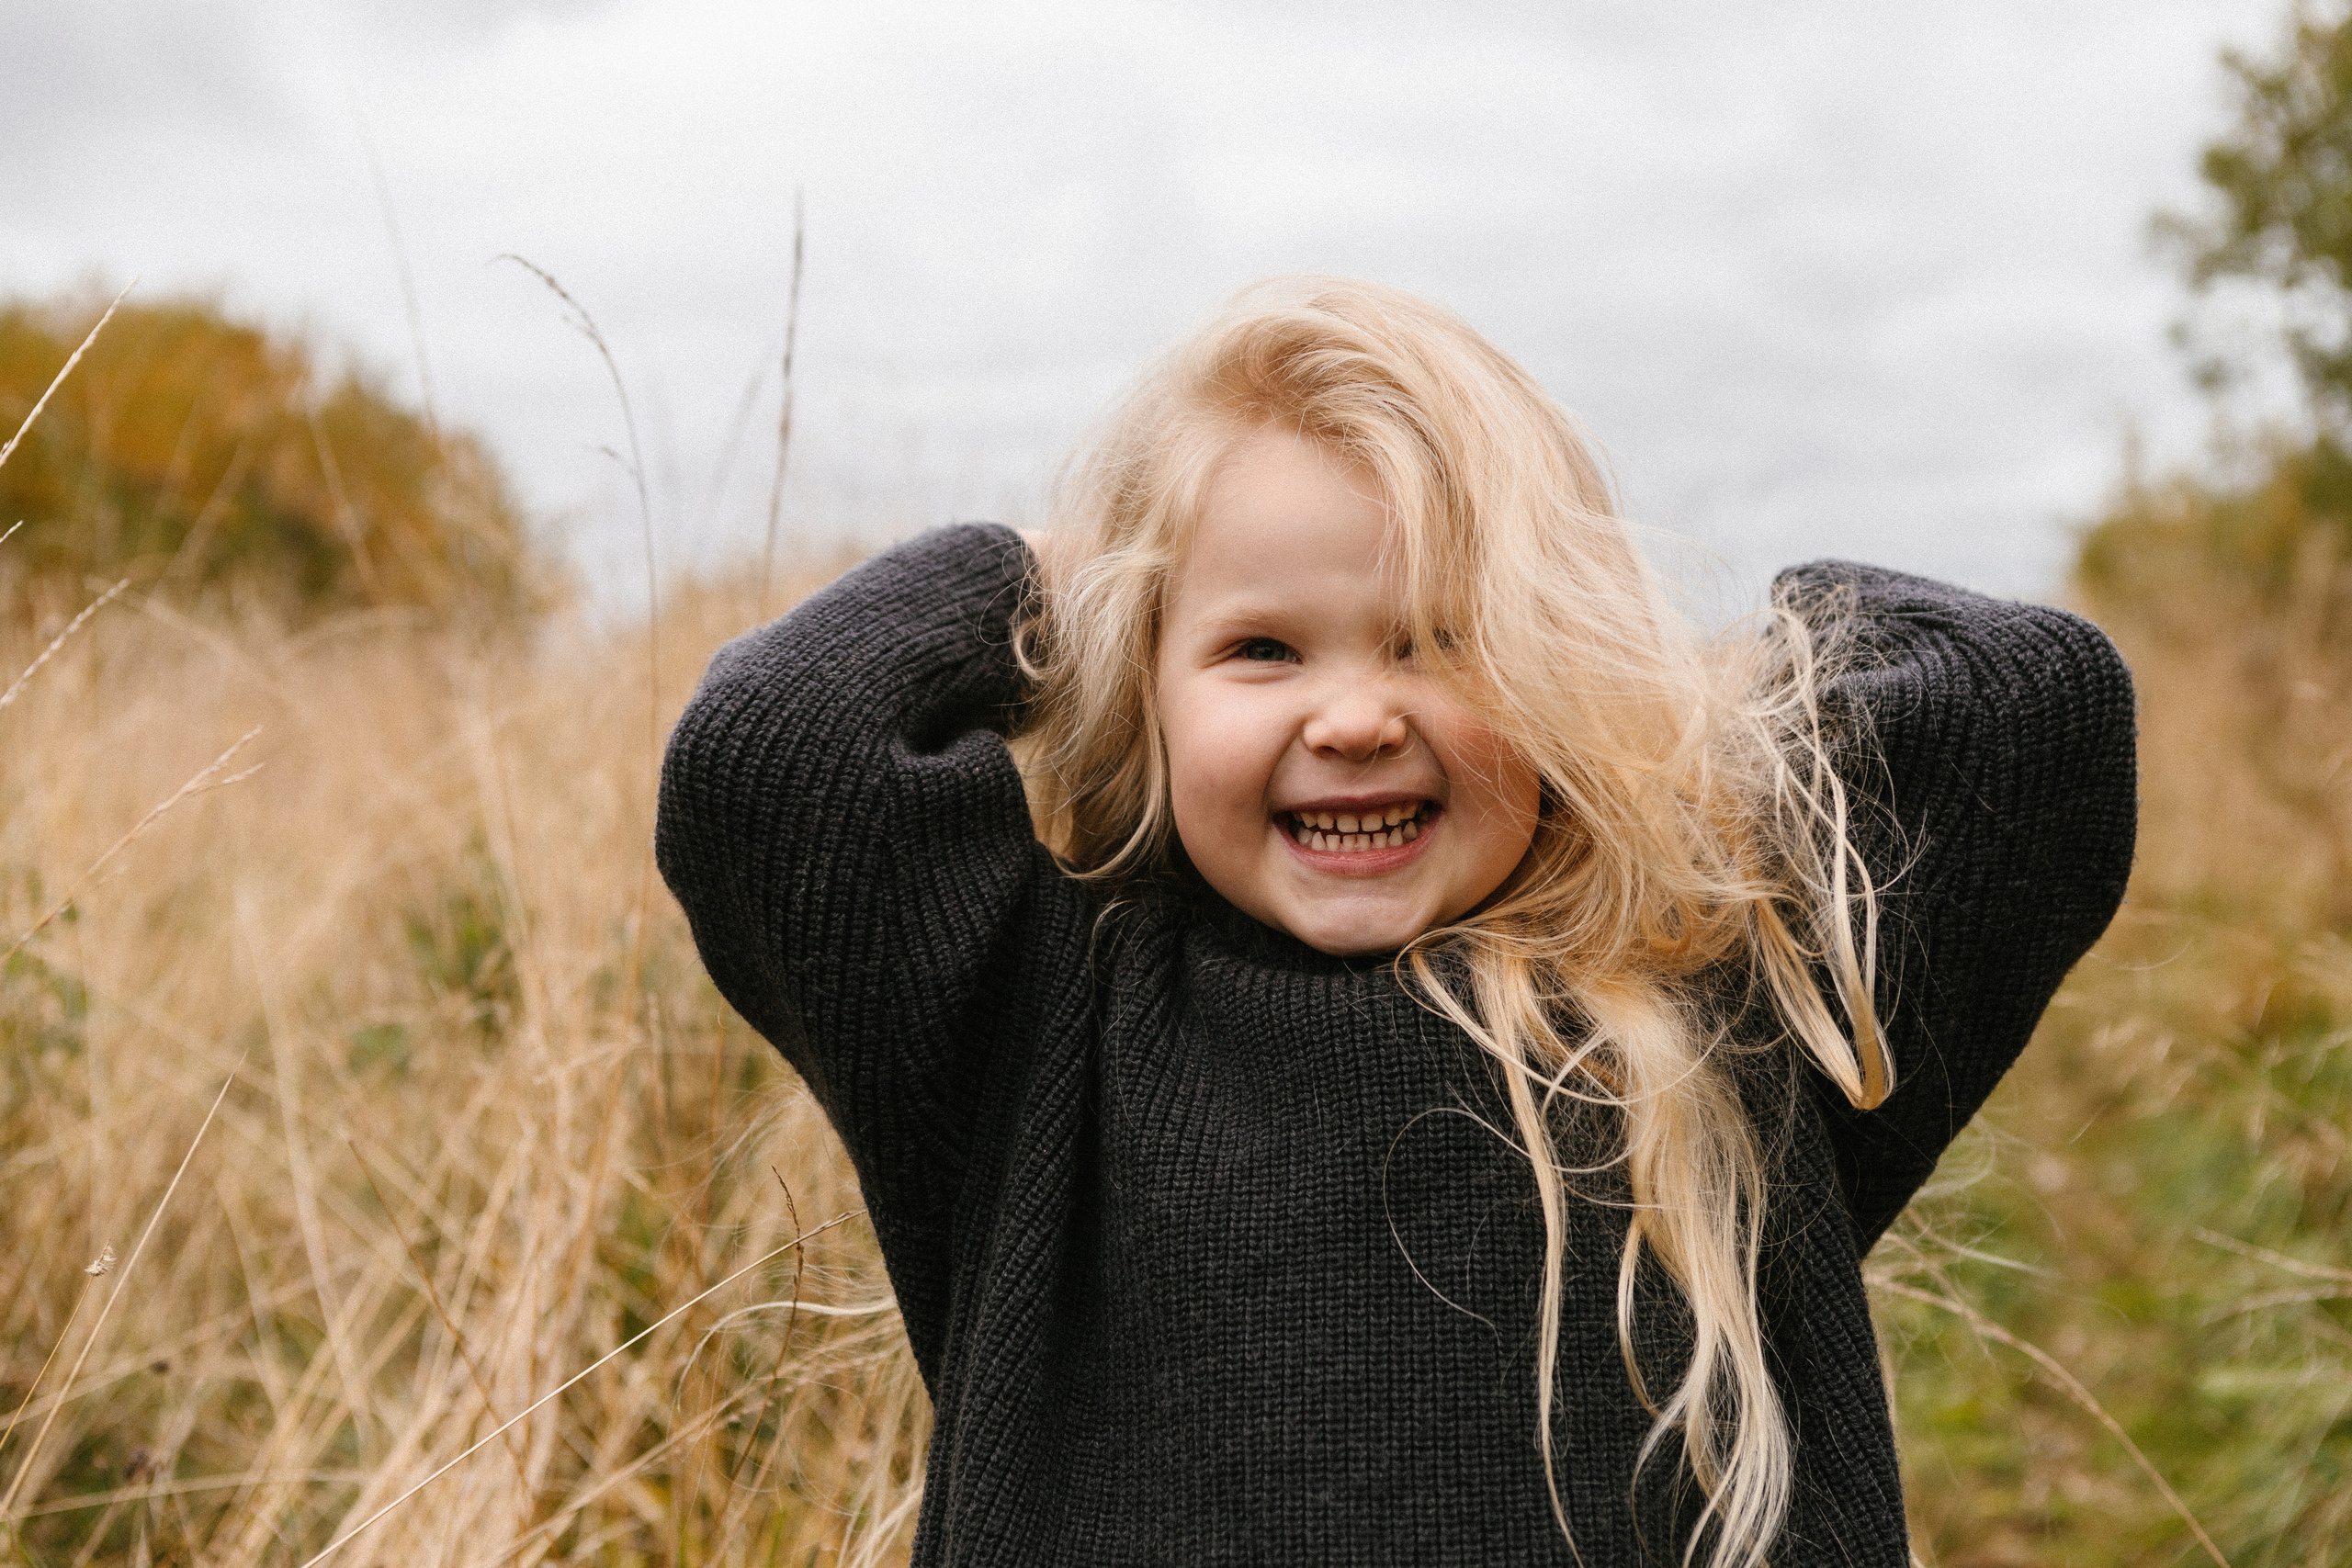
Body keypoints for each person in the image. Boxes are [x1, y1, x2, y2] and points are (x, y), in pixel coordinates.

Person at [655, 277, 2136, 1567]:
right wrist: (1058, 564)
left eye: (1444, 641)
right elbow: (771, 755)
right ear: (1142, 684)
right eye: (1261, 647)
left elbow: (2033, 714)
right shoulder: (1038, 1039)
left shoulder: (1704, 1011)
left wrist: (1649, 678)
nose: (1356, 717)